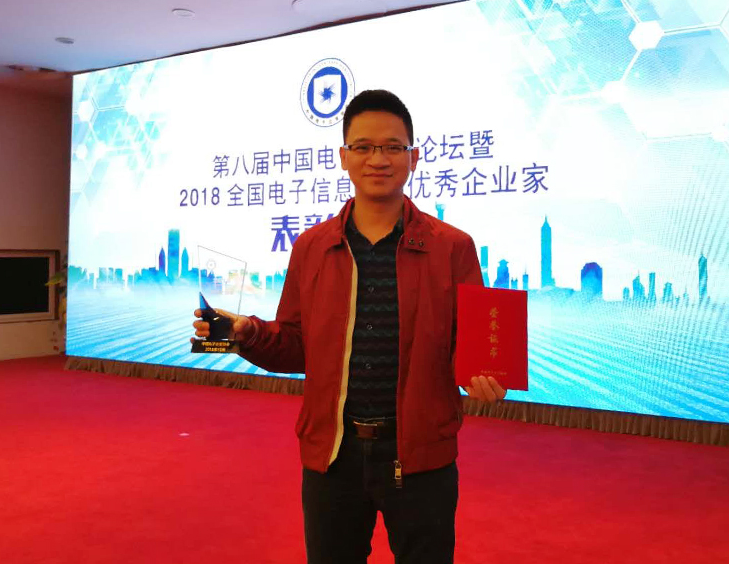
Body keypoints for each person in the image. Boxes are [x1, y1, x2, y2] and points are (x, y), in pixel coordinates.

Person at [193, 89, 506, 564]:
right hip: (332, 456)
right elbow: (296, 346)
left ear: (413, 157)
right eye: (363, 147)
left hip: (421, 454)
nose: (377, 159)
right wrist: (247, 333)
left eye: (392, 147)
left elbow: (471, 344)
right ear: (343, 157)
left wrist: (485, 375)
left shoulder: (452, 247)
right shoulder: (312, 247)